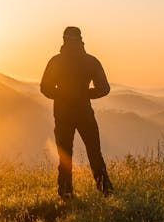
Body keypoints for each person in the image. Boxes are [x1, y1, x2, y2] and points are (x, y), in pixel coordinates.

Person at [40, 26, 113, 198]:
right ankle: (106, 190)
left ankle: (66, 193)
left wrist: (62, 94)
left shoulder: (56, 61)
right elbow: (104, 89)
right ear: (81, 39)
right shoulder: (90, 61)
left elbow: (45, 88)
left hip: (62, 114)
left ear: (64, 39)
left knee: (65, 155)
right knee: (94, 152)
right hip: (84, 113)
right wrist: (84, 93)